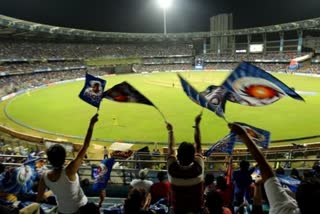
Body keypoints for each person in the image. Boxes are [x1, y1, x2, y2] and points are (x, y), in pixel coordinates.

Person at [229, 122, 320, 214]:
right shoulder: (284, 208)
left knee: (240, 204)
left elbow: (264, 168)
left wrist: (243, 135)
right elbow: (263, 168)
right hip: (246, 191)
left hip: (240, 192)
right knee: (245, 202)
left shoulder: (284, 210)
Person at [37, 114, 99, 214]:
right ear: (64, 157)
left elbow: (40, 198)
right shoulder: (70, 170)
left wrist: (53, 190)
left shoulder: (44, 177)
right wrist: (91, 124)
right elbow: (85, 146)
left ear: (49, 159)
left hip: (63, 212)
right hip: (81, 209)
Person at [166, 114, 204, 214]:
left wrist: (170, 131)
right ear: (193, 157)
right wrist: (197, 125)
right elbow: (198, 145)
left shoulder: (172, 169)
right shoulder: (198, 168)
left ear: (177, 156)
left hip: (178, 210)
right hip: (196, 209)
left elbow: (170, 149)